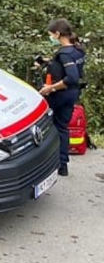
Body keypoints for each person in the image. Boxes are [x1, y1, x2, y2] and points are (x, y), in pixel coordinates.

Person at [39, 19, 87, 177]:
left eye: (51, 34)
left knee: (45, 126)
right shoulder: (77, 50)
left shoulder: (64, 54)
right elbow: (71, 68)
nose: (51, 37)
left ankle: (45, 162)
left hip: (60, 95)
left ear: (58, 34)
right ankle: (62, 165)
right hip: (72, 95)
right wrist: (48, 63)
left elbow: (71, 77)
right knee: (62, 127)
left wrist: (50, 88)